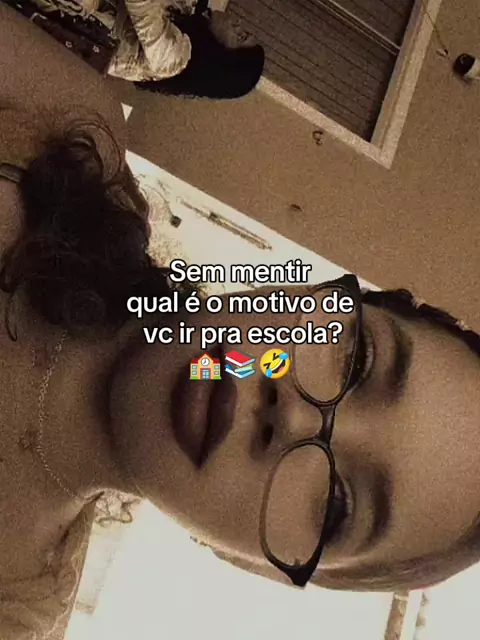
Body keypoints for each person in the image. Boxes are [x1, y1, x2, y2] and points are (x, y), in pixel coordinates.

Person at [1, 2, 480, 638]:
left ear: (255, 566)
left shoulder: (15, 613)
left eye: (335, 507)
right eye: (358, 360)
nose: (294, 418)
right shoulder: (65, 124)